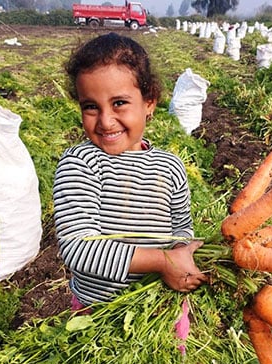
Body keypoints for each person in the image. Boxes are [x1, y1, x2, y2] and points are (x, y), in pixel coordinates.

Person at [53, 32, 208, 309]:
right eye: (90, 107)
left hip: (160, 305)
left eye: (119, 103)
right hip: (97, 313)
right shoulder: (81, 163)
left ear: (149, 102)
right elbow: (78, 248)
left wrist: (181, 253)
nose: (105, 120)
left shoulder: (171, 167)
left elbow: (181, 227)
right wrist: (162, 261)